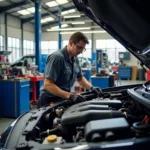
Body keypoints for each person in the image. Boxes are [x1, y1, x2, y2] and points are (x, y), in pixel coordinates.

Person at [38, 32, 102, 108]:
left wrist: (92, 87)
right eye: (79, 47)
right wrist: (70, 96)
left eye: (83, 48)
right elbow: (48, 85)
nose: (81, 51)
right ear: (71, 43)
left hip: (62, 98)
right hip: (49, 101)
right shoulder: (57, 58)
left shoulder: (75, 58)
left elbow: (80, 78)